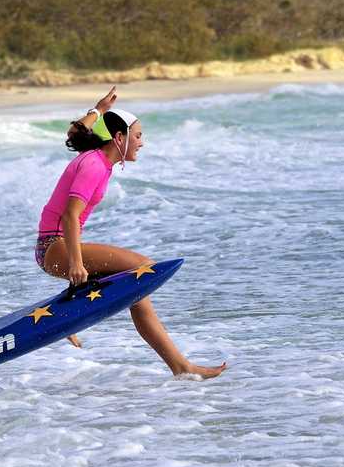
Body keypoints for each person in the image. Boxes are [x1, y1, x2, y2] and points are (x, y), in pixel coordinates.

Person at [35, 87, 226, 379]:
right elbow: (69, 216)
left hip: (56, 245)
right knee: (143, 268)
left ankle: (180, 367)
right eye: (137, 136)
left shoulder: (97, 156)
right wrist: (76, 263)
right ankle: (70, 317)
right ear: (119, 138)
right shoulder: (94, 165)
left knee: (138, 289)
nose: (142, 143)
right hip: (55, 247)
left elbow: (75, 133)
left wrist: (98, 109)